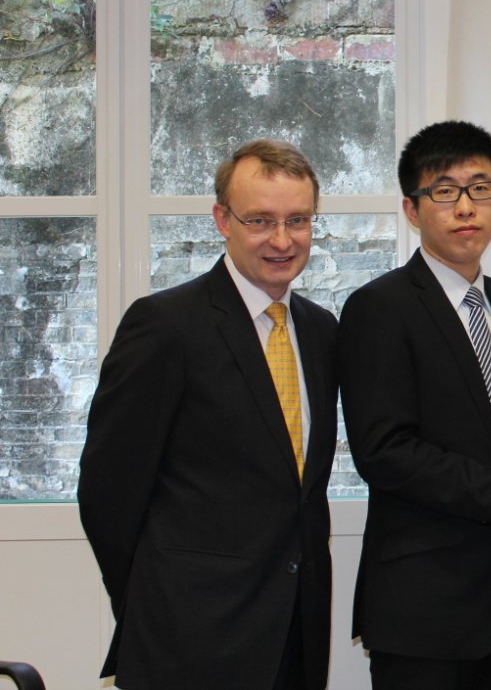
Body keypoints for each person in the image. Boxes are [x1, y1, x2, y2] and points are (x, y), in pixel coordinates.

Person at [78, 139, 338, 690]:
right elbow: (108, 492)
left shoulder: (320, 331)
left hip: (297, 635)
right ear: (222, 220)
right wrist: (154, 605)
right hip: (188, 641)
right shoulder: (164, 325)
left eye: (298, 220)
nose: (283, 240)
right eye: (260, 221)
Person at [338, 120, 491, 690]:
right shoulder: (379, 307)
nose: (466, 206)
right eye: (444, 191)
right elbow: (384, 452)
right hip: (424, 607)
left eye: (481, 188)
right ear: (412, 208)